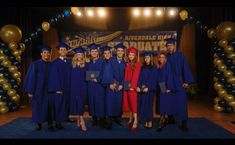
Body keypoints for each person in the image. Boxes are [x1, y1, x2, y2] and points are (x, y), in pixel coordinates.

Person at [166, 38, 194, 131]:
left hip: (179, 82)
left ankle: (184, 123)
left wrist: (186, 81)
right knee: (170, 100)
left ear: (174, 46)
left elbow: (185, 67)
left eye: (171, 45)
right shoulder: (165, 57)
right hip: (169, 83)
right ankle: (171, 119)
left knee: (181, 102)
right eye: (168, 46)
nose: (170, 47)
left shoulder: (180, 55)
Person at [23, 45, 53, 131]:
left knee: (50, 107)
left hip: (50, 90)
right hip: (38, 90)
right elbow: (31, 78)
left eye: (48, 53)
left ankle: (50, 124)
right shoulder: (35, 64)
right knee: (38, 106)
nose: (46, 54)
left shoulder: (52, 65)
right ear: (41, 54)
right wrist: (30, 91)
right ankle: (39, 124)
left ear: (50, 54)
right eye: (44, 53)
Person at [47, 42, 71, 130]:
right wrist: (57, 89)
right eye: (61, 50)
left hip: (67, 88)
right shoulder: (55, 63)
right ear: (58, 51)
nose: (63, 51)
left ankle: (62, 121)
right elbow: (53, 77)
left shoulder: (69, 62)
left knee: (64, 105)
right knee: (58, 106)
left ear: (67, 51)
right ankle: (56, 123)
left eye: (65, 49)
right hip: (59, 89)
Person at [155, 51, 176, 132]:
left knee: (163, 105)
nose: (161, 59)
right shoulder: (158, 66)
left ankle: (161, 121)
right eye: (160, 57)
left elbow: (170, 77)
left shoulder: (168, 66)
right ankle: (165, 119)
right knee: (160, 104)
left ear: (166, 59)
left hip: (164, 87)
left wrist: (169, 88)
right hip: (158, 88)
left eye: (163, 57)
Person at [86, 43, 106, 128]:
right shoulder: (88, 63)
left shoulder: (102, 62)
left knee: (100, 102)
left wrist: (97, 79)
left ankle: (101, 119)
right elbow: (86, 74)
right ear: (90, 53)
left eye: (95, 51)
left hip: (99, 86)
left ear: (98, 52)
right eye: (92, 51)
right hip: (91, 86)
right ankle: (94, 119)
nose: (94, 53)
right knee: (92, 101)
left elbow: (105, 73)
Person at [123, 47, 141, 132]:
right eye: (130, 54)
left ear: (135, 56)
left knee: (133, 104)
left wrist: (132, 87)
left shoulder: (137, 64)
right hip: (127, 87)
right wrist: (126, 86)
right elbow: (126, 77)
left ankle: (136, 121)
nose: (131, 56)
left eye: (132, 55)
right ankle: (130, 119)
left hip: (132, 88)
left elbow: (136, 77)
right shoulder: (127, 64)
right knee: (129, 103)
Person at [70, 46, 87, 131]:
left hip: (82, 87)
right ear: (75, 55)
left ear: (83, 55)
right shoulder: (72, 65)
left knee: (81, 103)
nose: (79, 56)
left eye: (81, 54)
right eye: (78, 54)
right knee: (76, 103)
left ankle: (79, 118)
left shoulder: (85, 65)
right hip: (74, 87)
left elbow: (88, 76)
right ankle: (82, 121)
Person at [137, 51, 156, 129]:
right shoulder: (142, 67)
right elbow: (139, 78)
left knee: (149, 105)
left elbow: (154, 79)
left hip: (149, 90)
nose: (146, 59)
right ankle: (145, 120)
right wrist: (138, 86)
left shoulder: (154, 68)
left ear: (151, 58)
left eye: (148, 57)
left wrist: (148, 87)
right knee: (143, 105)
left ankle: (150, 121)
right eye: (145, 58)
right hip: (142, 89)